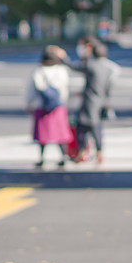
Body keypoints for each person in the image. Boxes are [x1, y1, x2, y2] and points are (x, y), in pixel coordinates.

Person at [59, 36, 118, 164]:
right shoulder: (108, 68)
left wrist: (64, 59)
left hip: (90, 101)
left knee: (82, 127)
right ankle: (99, 152)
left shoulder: (92, 65)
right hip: (101, 101)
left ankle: (82, 152)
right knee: (97, 128)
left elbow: (75, 67)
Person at [26, 45, 71, 167]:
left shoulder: (39, 71)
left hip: (42, 106)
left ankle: (41, 158)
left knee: (42, 135)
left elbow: (33, 89)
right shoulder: (61, 71)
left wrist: (29, 103)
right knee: (60, 133)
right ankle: (64, 156)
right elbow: (65, 89)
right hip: (58, 106)